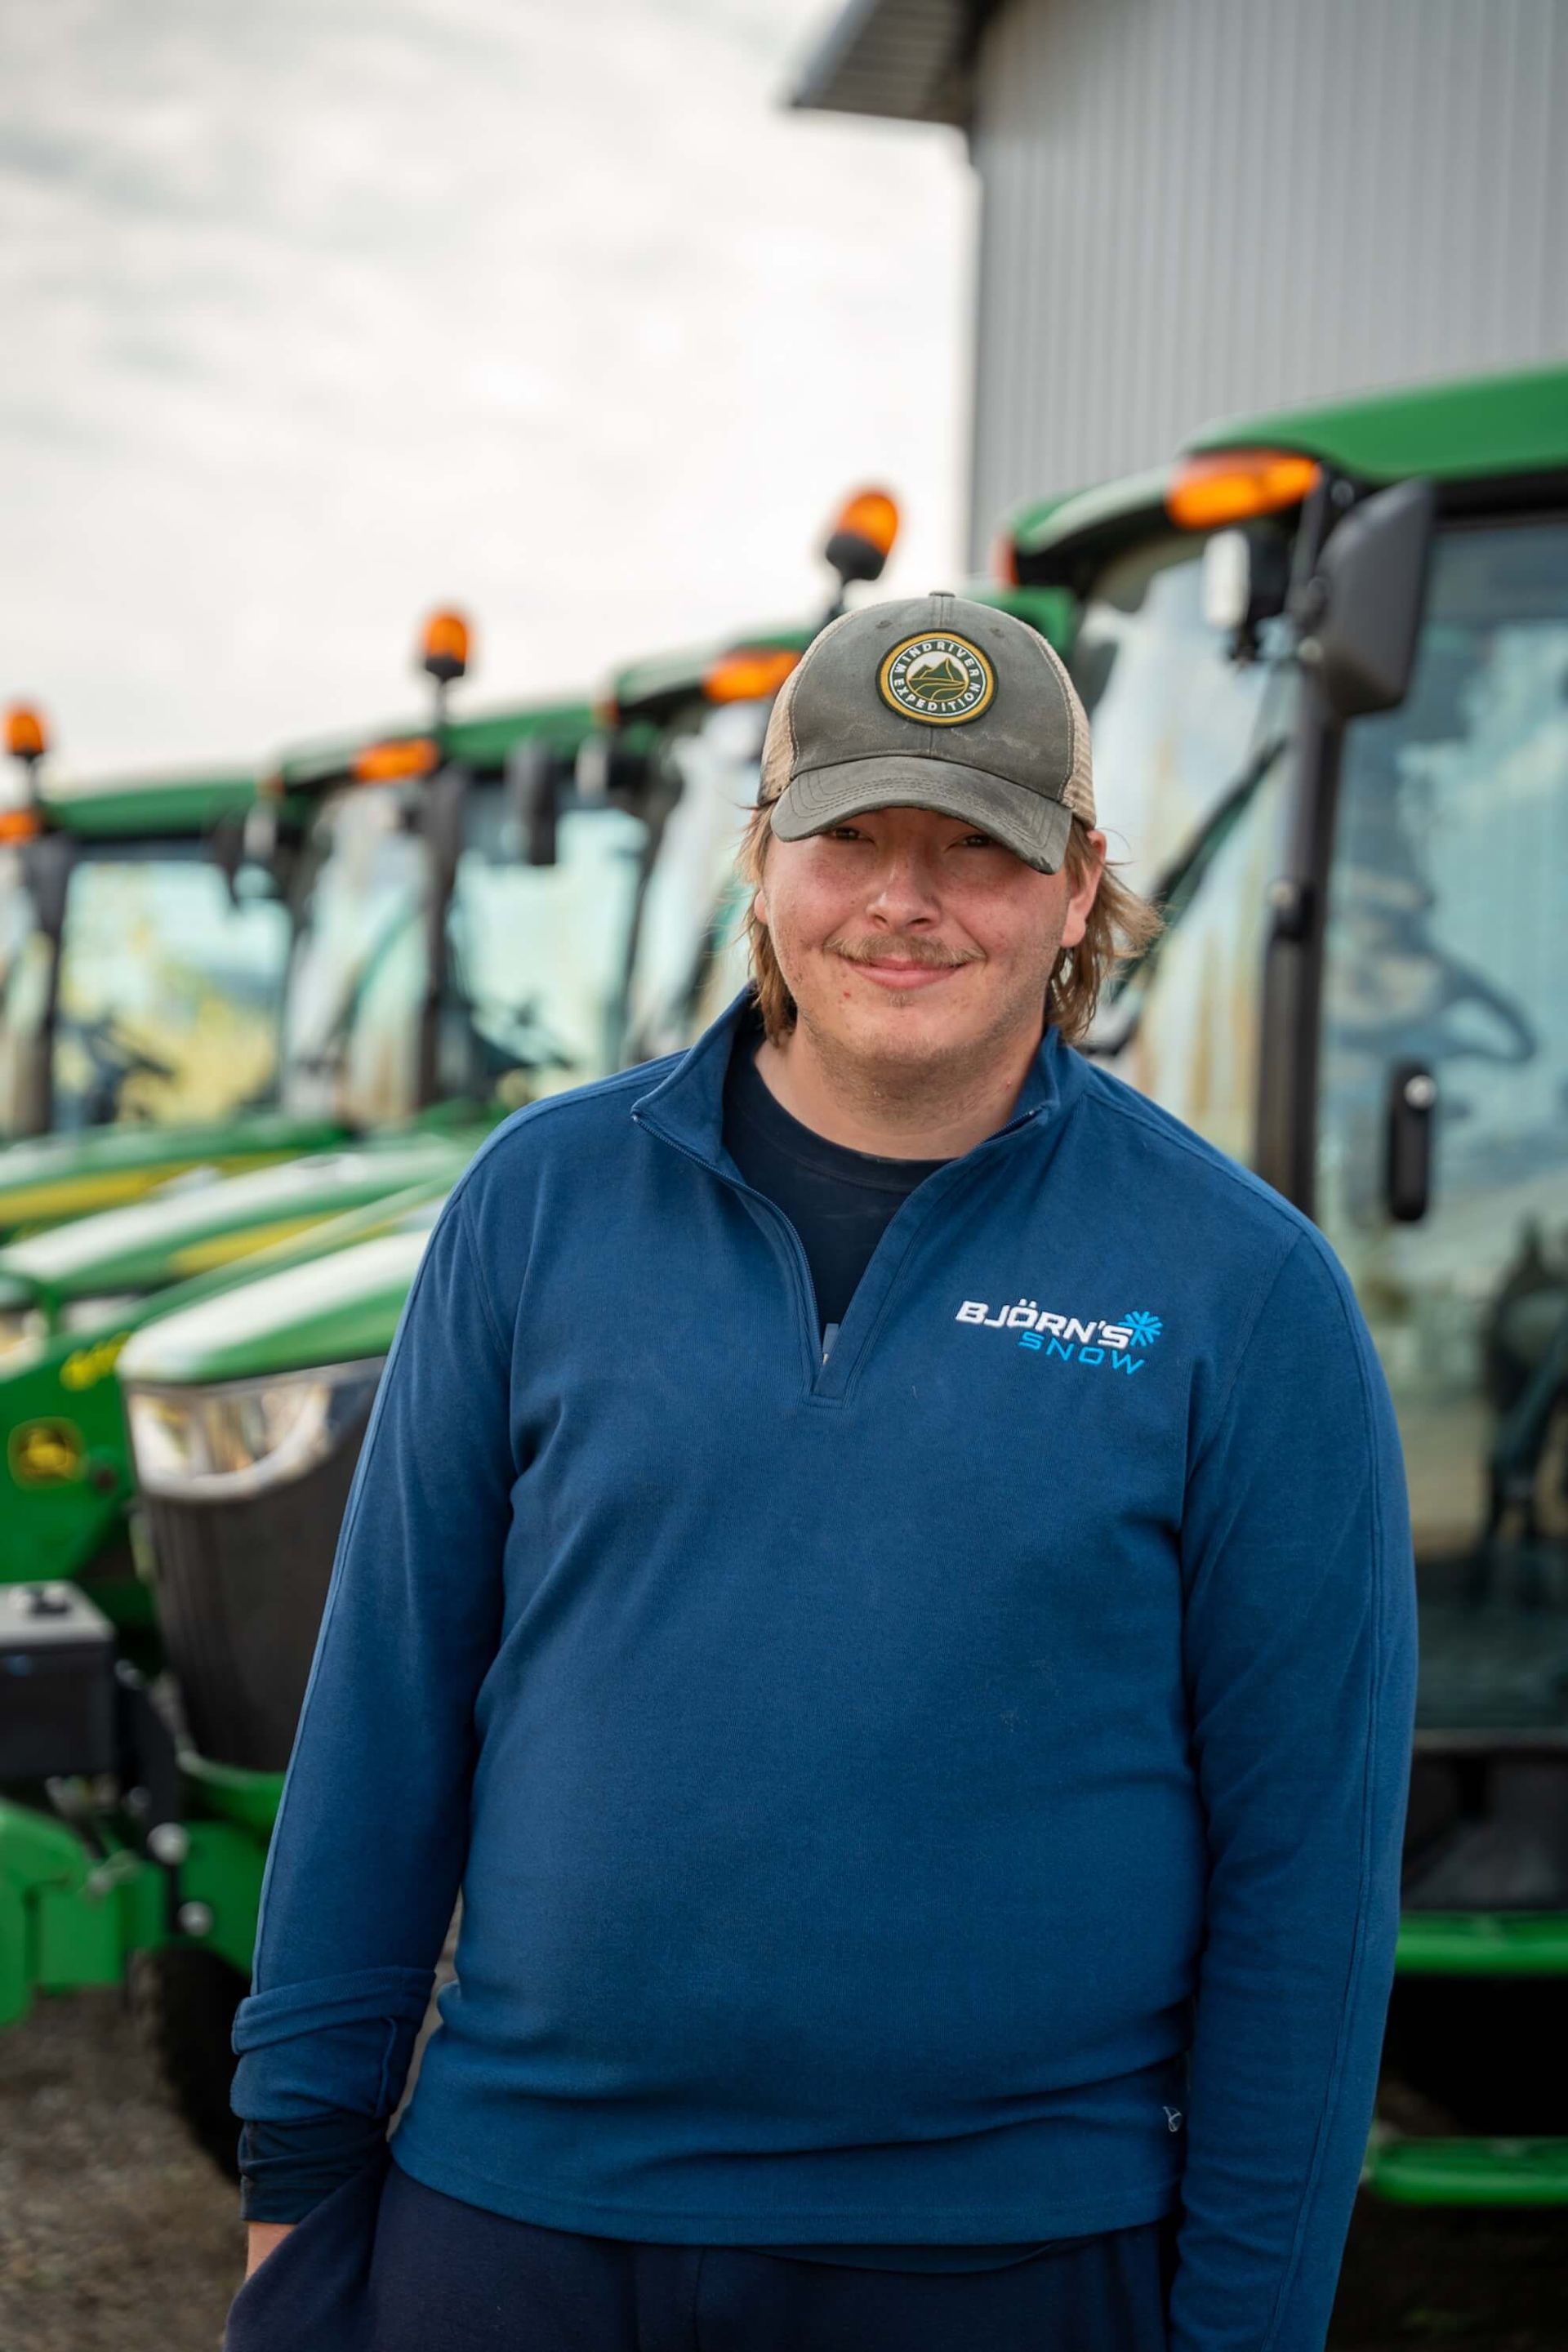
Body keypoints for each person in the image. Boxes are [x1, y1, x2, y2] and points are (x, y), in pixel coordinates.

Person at [225, 592, 1417, 2352]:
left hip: (1010, 2256)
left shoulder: (1246, 1292)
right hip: (520, 2228)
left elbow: (1307, 1887)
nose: (904, 899)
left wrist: (1250, 2324)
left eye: (979, 848)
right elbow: (381, 1722)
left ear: (1079, 885)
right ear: (762, 856)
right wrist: (299, 2200)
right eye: (851, 833)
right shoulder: (537, 1205)